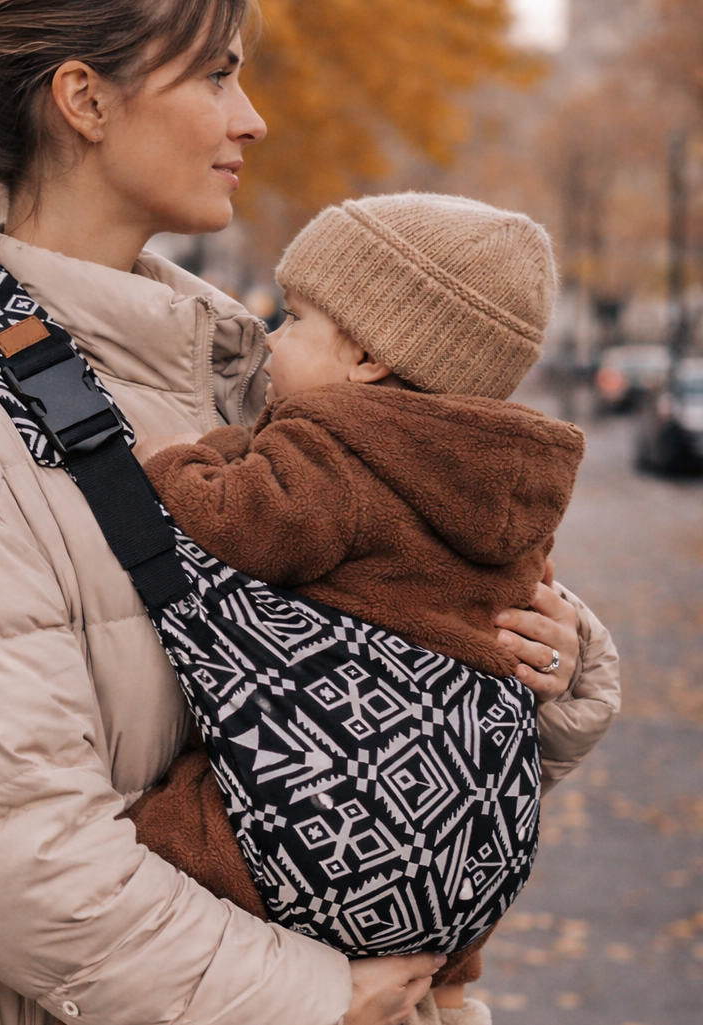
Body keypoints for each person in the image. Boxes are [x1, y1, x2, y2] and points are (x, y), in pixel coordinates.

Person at [0, 3, 619, 1024]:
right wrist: (311, 995)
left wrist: (546, 670)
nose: (254, 117)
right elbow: (8, 852)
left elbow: (345, 747)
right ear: (84, 99)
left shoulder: (231, 388)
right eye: (217, 76)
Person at [130, 193, 599, 1019]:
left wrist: (178, 462)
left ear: (369, 359)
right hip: (464, 819)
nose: (272, 338)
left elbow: (245, 524)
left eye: (297, 319)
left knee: (166, 841)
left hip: (326, 804)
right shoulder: (508, 482)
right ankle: (448, 979)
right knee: (439, 901)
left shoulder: (337, 445)